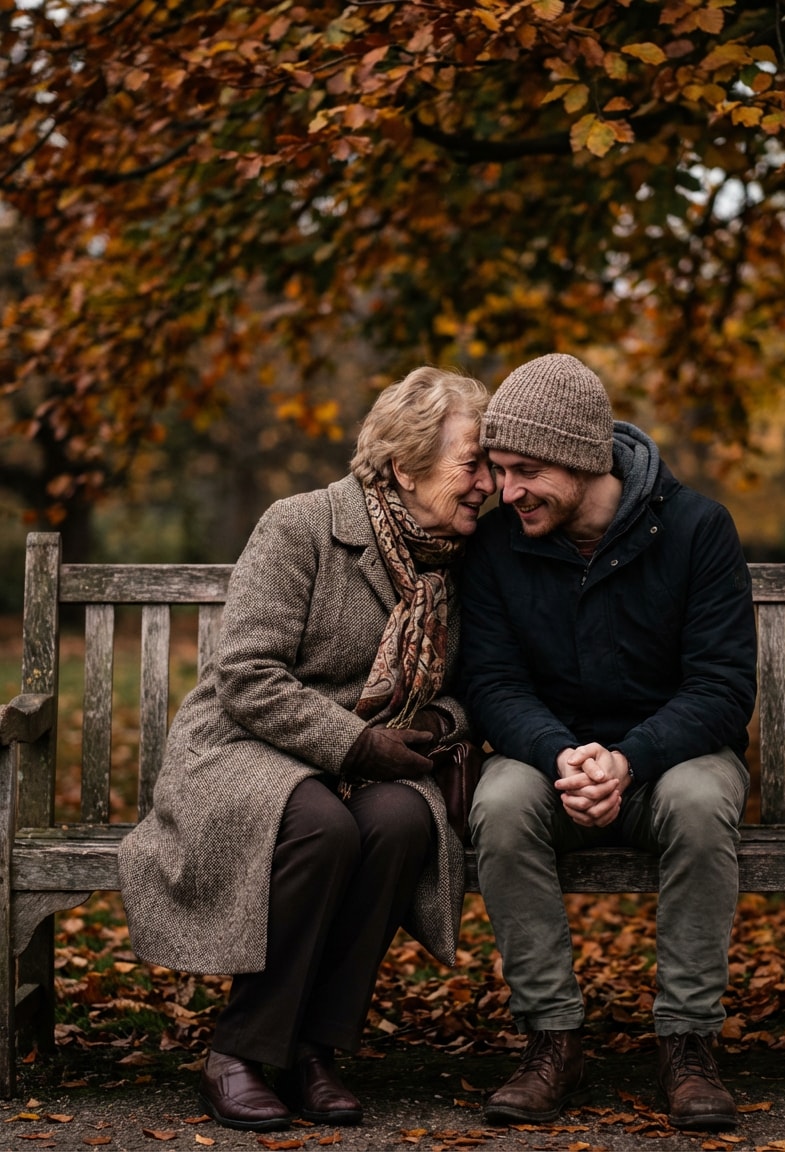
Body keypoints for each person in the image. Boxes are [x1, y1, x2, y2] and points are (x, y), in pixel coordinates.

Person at [118, 367, 494, 1133]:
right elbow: (246, 674)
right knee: (321, 827)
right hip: (247, 746)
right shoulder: (302, 525)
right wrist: (354, 742)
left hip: (379, 757)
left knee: (401, 825)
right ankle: (240, 1052)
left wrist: (434, 728)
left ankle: (316, 1050)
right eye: (473, 462)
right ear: (405, 465)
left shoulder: (464, 561)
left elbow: (474, 688)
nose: (487, 482)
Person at [458, 353, 757, 1131]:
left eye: (525, 469)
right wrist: (562, 754)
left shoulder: (697, 530)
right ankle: (550, 1036)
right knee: (498, 802)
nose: (507, 489)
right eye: (497, 468)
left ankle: (687, 1041)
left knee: (698, 802)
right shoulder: (496, 548)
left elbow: (721, 688)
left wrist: (629, 761)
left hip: (672, 762)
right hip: (549, 762)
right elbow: (493, 683)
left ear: (587, 459)